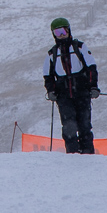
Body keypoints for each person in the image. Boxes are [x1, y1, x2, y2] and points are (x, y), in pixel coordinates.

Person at [43, 17, 99, 154]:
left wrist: (93, 87)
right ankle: (72, 155)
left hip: (82, 93)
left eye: (63, 31)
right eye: (57, 32)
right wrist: (51, 91)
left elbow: (91, 67)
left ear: (68, 30)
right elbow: (48, 75)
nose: (61, 35)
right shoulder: (52, 54)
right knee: (69, 128)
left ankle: (88, 154)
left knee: (84, 125)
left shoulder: (79, 47)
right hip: (63, 96)